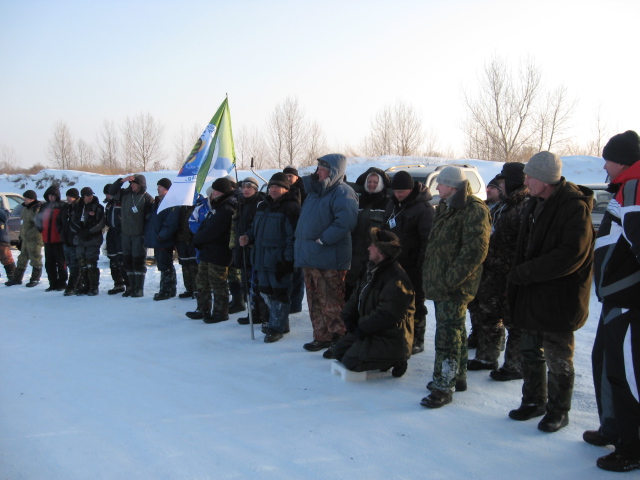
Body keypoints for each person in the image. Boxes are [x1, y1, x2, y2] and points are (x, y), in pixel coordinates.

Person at [506, 151, 594, 433]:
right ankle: (533, 401)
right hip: (533, 292)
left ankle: (559, 410)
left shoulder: (574, 207)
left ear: (545, 179)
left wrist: (526, 272)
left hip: (559, 297)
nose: (526, 180)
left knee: (558, 356)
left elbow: (571, 254)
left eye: (530, 176)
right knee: (530, 350)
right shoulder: (536, 202)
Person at [585, 130, 640, 472]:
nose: (603, 165)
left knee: (625, 374)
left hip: (628, 297)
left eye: (607, 158)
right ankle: (613, 427)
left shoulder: (634, 187)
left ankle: (631, 447)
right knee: (604, 362)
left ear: (621, 160)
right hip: (613, 297)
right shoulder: (624, 188)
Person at [421, 166, 491, 408]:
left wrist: (451, 279)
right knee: (456, 329)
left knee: (448, 335)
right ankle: (458, 376)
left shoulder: (473, 208)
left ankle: (444, 385)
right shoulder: (446, 205)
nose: (437, 188)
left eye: (440, 184)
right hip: (442, 282)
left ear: (452, 185)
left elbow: (475, 251)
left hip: (455, 286)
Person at [467, 163, 529, 381]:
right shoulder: (502, 206)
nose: (498, 185)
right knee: (488, 315)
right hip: (492, 272)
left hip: (513, 275)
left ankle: (514, 365)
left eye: (502, 182)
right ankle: (487, 357)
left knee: (514, 321)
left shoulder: (525, 207)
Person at [294, 154, 358, 352]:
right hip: (310, 257)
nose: (317, 172)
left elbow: (345, 222)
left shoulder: (342, 192)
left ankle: (340, 340)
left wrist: (323, 239)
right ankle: (322, 336)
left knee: (331, 302)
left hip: (330, 259)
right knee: (314, 300)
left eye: (322, 168)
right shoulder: (314, 193)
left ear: (333, 171)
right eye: (318, 168)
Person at [332, 228, 415, 376]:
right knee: (339, 352)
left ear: (382, 251)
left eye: (373, 245)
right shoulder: (371, 269)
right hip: (371, 329)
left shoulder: (396, 278)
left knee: (352, 361)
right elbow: (355, 296)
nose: (368, 248)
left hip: (389, 334)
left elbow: (387, 314)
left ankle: (396, 358)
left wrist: (362, 327)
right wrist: (348, 316)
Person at [239, 172, 301, 342]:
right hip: (261, 258)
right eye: (272, 186)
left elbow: (294, 237)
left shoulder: (291, 208)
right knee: (265, 291)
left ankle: (276, 327)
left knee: (279, 293)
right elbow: (255, 228)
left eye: (278, 186)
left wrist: (289, 261)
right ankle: (280, 322)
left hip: (279, 260)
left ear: (285, 189)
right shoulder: (263, 206)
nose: (274, 189)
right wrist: (248, 236)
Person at [384, 170, 433, 354]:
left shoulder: (424, 209)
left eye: (401, 191)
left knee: (416, 303)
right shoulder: (392, 205)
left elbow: (427, 240)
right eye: (395, 191)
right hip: (394, 263)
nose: (398, 195)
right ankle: (399, 333)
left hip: (413, 266)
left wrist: (420, 266)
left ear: (411, 189)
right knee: (396, 300)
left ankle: (418, 338)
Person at [187, 178, 237, 323]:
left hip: (219, 252)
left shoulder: (226, 209)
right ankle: (202, 308)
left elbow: (212, 231)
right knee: (202, 281)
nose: (213, 193)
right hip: (208, 251)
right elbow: (205, 226)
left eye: (217, 191)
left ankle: (220, 312)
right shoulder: (217, 206)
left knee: (218, 283)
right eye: (214, 190)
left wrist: (198, 239)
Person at [344, 167, 391, 302]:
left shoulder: (387, 203)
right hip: (353, 255)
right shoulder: (356, 200)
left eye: (375, 182)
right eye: (369, 182)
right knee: (350, 291)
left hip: (373, 256)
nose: (371, 185)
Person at [108, 175, 154, 297]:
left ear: (140, 185)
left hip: (139, 235)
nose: (132, 185)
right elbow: (112, 191)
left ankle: (139, 288)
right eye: (131, 183)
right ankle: (131, 287)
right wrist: (122, 181)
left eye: (134, 183)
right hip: (126, 234)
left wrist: (144, 234)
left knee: (138, 261)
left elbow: (150, 219)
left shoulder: (147, 199)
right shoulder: (125, 194)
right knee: (127, 261)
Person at [233, 177, 268, 326]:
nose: (245, 189)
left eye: (249, 187)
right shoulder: (241, 204)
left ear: (255, 189)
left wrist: (249, 237)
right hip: (242, 247)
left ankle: (261, 314)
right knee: (247, 284)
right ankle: (253, 312)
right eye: (243, 186)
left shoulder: (260, 204)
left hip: (253, 249)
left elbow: (257, 227)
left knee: (256, 284)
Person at [144, 178, 179, 301]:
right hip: (158, 239)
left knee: (165, 266)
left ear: (167, 189)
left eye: (160, 186)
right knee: (163, 265)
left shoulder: (170, 202)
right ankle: (169, 290)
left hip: (164, 240)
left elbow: (171, 222)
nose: (158, 189)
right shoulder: (158, 202)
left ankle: (166, 290)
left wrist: (162, 235)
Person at [71, 187, 105, 296]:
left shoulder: (98, 207)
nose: (90, 197)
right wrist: (80, 231)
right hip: (80, 239)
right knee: (82, 263)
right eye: (88, 195)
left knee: (91, 263)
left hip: (93, 239)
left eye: (91, 194)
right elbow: (72, 222)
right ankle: (83, 285)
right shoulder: (77, 207)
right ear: (83, 196)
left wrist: (89, 231)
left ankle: (94, 286)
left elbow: (101, 223)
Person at [6, 190, 43, 287]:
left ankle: (35, 279)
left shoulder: (37, 209)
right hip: (25, 238)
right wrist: (21, 238)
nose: (24, 200)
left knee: (35, 258)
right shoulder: (25, 209)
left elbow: (38, 225)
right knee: (22, 258)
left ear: (32, 199)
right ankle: (17, 278)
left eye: (26, 198)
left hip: (34, 239)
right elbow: (23, 224)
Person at [283, 166, 306, 314]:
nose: (288, 178)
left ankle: (296, 304)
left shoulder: (303, 191)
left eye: (290, 176)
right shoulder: (281, 189)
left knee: (298, 273)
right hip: (286, 234)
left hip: (301, 233)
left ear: (296, 177)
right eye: (286, 175)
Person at [35, 185, 67, 291]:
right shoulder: (44, 206)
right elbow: (38, 219)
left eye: (53, 196)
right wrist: (40, 229)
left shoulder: (62, 206)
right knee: (49, 264)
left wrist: (61, 233)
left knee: (61, 263)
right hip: (47, 240)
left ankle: (62, 283)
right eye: (49, 196)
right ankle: (52, 283)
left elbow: (64, 222)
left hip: (58, 240)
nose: (51, 198)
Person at [103, 184, 127, 295]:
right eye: (106, 194)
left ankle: (128, 283)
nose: (107, 196)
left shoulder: (121, 202)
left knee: (121, 259)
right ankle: (118, 283)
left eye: (109, 194)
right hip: (111, 232)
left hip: (121, 232)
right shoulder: (108, 205)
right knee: (112, 258)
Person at [58, 188, 80, 295]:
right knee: (69, 264)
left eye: (71, 196)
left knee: (75, 265)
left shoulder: (78, 207)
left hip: (75, 240)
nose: (69, 198)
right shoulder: (65, 207)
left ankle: (72, 286)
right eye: (67, 196)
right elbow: (59, 221)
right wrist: (60, 231)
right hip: (65, 239)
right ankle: (74, 285)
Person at [0, 206, 16, 282]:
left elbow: (5, 217)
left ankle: (13, 276)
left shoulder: (2, 211)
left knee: (6, 258)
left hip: (1, 240)